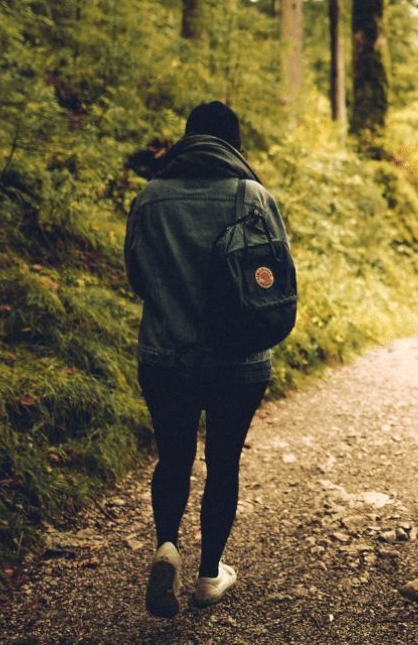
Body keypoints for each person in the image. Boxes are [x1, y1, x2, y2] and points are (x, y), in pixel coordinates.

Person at [124, 101, 283, 618]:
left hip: (165, 355)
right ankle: (209, 574)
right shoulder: (253, 196)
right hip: (238, 362)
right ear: (234, 145)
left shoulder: (149, 198)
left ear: (187, 140)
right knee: (223, 463)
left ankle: (167, 544)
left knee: (173, 456)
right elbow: (276, 279)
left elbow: (137, 278)